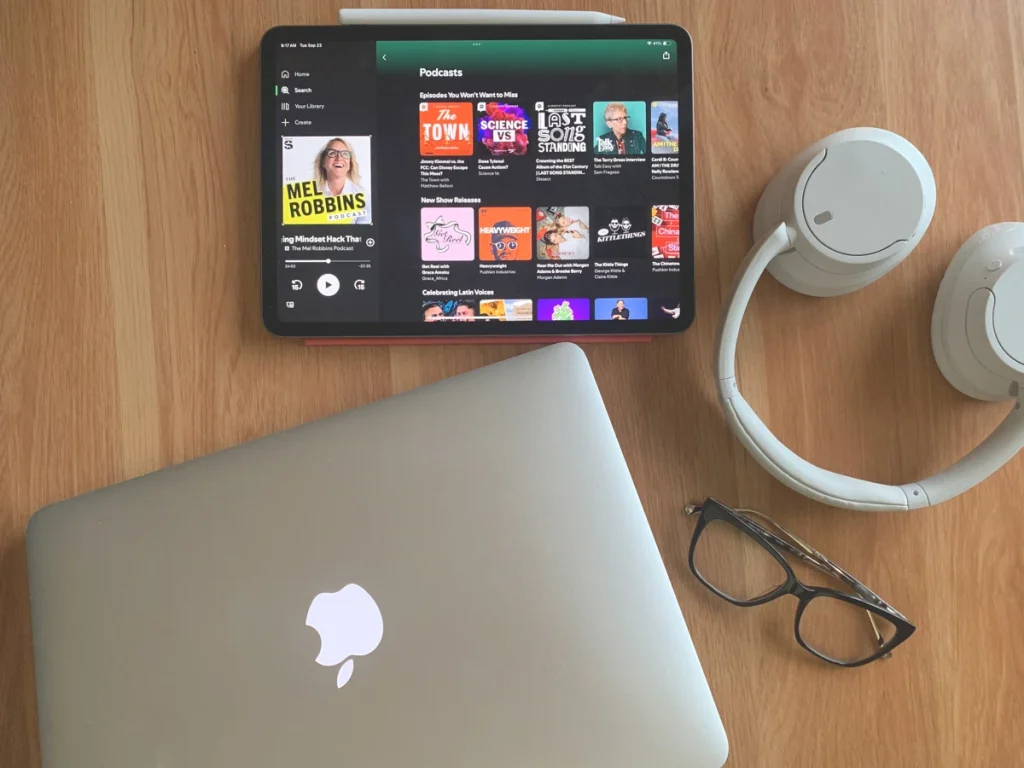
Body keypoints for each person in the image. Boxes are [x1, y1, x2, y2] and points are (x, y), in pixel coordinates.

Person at [313, 138, 371, 224]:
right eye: (332, 153)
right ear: (323, 162)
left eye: (345, 154)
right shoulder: (309, 194)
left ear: (350, 164)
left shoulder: (363, 197)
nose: (339, 158)